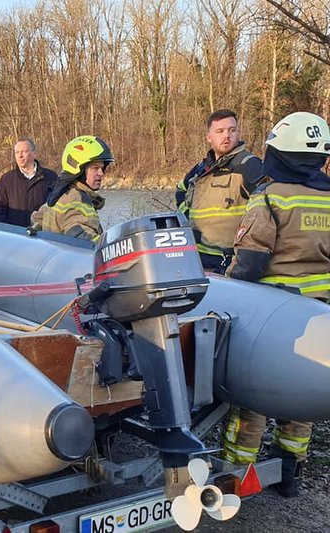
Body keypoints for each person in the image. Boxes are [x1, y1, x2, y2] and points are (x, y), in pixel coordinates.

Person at [222, 111, 330, 497]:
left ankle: (238, 476)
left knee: (251, 401)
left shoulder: (272, 196)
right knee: (299, 403)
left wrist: (227, 292)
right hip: (319, 316)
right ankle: (289, 476)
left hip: (272, 314)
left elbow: (249, 261)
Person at [176, 109, 264, 273]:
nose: (227, 136)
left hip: (229, 262)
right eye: (220, 131)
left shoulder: (249, 166)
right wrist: (187, 219)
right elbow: (181, 190)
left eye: (232, 130)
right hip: (198, 259)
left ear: (238, 133)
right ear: (209, 137)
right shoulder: (201, 169)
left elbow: (266, 215)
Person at [30, 135, 113, 240]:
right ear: (79, 170)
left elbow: (36, 219)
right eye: (95, 168)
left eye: (102, 168)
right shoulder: (77, 200)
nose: (101, 173)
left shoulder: (60, 193)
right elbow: (82, 238)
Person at [0, 138, 58, 227]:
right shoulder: (7, 179)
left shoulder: (50, 177)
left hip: (42, 235)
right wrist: (9, 229)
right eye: (17, 152)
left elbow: (58, 208)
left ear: (34, 153)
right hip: (15, 236)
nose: (20, 156)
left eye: (24, 151)